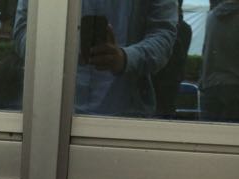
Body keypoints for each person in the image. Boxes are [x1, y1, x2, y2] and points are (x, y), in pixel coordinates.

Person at [13, 0, 177, 118]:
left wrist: (125, 58)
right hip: (53, 115)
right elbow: (23, 32)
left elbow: (163, 37)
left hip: (122, 117)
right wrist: (56, 53)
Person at [199, 0, 239, 121]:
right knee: (234, 130)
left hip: (210, 83)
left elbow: (205, 49)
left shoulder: (211, 16)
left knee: (209, 130)